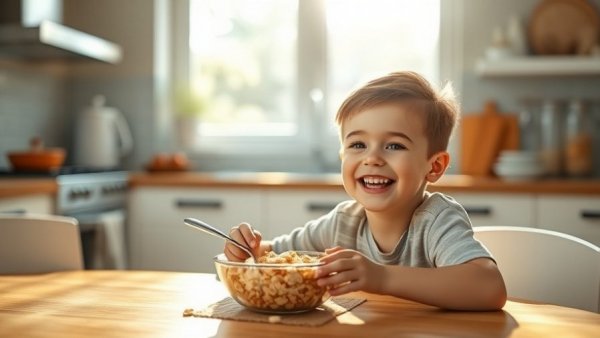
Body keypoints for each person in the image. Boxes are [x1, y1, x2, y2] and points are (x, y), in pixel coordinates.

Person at [224, 71, 507, 311]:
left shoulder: (436, 220)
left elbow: (489, 287)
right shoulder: (344, 221)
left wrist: (381, 277)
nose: (372, 158)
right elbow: (275, 255)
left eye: (394, 145)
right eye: (358, 145)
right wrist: (247, 248)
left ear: (433, 167)